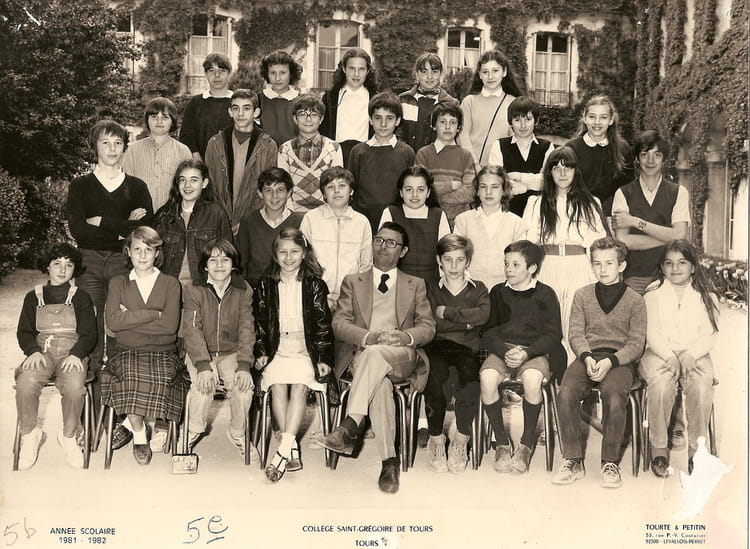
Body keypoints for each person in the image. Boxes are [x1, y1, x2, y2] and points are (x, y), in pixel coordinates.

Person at [317, 222, 436, 493]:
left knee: (377, 358)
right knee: (379, 382)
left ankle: (350, 425)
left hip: (401, 356)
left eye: (391, 243)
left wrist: (405, 337)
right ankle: (389, 463)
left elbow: (428, 327)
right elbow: (339, 324)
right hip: (363, 356)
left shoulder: (415, 284)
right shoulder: (353, 281)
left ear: (403, 251)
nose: (383, 247)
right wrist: (369, 337)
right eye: (379, 240)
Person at [66, 119, 154, 449]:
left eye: (118, 143)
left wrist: (102, 221)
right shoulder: (81, 186)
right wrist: (121, 226)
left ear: (125, 147)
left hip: (122, 261)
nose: (112, 149)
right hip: (88, 262)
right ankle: (89, 420)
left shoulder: (136, 186)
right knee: (91, 335)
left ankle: (119, 417)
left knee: (119, 333)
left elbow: (145, 229)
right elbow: (78, 230)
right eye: (105, 142)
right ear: (95, 147)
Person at [553, 237, 646, 489]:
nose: (603, 269)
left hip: (619, 360)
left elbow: (636, 344)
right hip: (587, 356)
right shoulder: (582, 295)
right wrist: (586, 357)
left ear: (622, 265)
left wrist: (611, 361)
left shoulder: (635, 300)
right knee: (566, 392)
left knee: (615, 396)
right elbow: (575, 333)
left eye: (609, 263)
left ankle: (610, 462)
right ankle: (573, 459)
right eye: (597, 264)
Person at [252, 228, 336, 482]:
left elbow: (322, 325)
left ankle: (282, 451)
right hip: (277, 348)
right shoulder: (265, 284)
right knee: (277, 386)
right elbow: (260, 324)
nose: (289, 258)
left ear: (304, 253)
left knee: (300, 386)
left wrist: (322, 358)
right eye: (283, 252)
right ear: (275, 255)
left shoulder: (315, 285)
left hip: (305, 349)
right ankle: (291, 448)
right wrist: (262, 352)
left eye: (295, 252)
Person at [103, 227, 185, 465]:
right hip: (126, 351)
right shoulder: (118, 282)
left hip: (163, 353)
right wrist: (153, 313)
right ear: (128, 252)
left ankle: (129, 424)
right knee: (130, 376)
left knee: (160, 377)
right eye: (136, 249)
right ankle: (140, 435)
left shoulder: (171, 284)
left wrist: (129, 318)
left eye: (148, 250)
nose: (142, 255)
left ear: (157, 253)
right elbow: (113, 322)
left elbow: (170, 327)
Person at [480, 240, 562, 474]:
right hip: (502, 351)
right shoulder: (497, 292)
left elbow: (553, 334)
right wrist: (504, 352)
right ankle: (502, 443)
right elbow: (488, 331)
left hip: (533, 351)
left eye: (515, 265)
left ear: (532, 268)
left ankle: (525, 445)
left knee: (533, 380)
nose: (509, 269)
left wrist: (527, 352)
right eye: (506, 263)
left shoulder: (545, 294)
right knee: (487, 378)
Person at [640, 240, 719, 477]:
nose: (675, 268)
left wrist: (690, 355)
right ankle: (659, 449)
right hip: (658, 353)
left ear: (693, 267)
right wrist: (670, 357)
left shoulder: (708, 296)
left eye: (682, 262)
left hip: (695, 354)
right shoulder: (652, 295)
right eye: (669, 263)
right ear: (662, 267)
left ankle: (697, 451)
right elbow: (652, 333)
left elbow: (709, 335)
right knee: (661, 383)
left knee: (701, 386)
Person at [15, 243, 97, 470]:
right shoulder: (33, 297)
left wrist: (77, 354)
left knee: (74, 386)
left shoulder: (81, 297)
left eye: (68, 265)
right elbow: (24, 331)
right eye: (57, 263)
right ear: (47, 267)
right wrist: (32, 351)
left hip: (72, 354)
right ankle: (30, 435)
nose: (62, 269)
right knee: (26, 381)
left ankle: (68, 436)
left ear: (75, 269)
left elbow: (90, 333)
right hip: (42, 353)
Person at [523, 146, 607, 354]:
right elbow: (528, 243)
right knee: (547, 325)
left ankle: (573, 371)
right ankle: (547, 372)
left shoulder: (591, 203)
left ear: (575, 171)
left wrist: (596, 277)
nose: (562, 173)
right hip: (547, 266)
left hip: (578, 268)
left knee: (575, 326)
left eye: (567, 167)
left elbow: (599, 245)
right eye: (556, 168)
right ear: (549, 172)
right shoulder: (535, 203)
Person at [182, 240, 258, 462]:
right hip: (200, 353)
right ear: (205, 265)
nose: (219, 265)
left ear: (234, 264)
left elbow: (247, 328)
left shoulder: (244, 290)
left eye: (225, 259)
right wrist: (203, 365)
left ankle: (237, 432)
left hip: (231, 352)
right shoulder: (193, 288)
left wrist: (244, 365)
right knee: (203, 387)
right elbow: (191, 329)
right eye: (213, 260)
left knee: (244, 388)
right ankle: (192, 431)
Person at [423, 234, 490, 473]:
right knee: (434, 380)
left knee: (470, 382)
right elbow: (432, 322)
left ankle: (461, 440)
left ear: (467, 261)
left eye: (459, 260)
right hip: (437, 345)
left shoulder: (478, 288)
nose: (453, 266)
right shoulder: (431, 288)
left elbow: (483, 316)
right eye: (448, 259)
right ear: (439, 260)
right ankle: (436, 439)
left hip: (467, 348)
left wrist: (448, 313)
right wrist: (466, 322)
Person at [612, 130, 690, 294]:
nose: (650, 161)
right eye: (644, 154)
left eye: (657, 155)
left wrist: (635, 221)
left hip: (670, 275)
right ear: (637, 159)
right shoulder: (623, 193)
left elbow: (680, 234)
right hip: (634, 276)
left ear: (664, 159)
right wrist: (668, 238)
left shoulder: (678, 192)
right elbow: (624, 240)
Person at [204, 89, 278, 234]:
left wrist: (248, 220)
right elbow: (209, 187)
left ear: (256, 112)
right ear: (230, 112)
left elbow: (268, 189)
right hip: (220, 220)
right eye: (236, 108)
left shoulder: (268, 145)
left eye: (246, 108)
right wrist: (219, 218)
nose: (240, 113)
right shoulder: (215, 143)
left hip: (253, 222)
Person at [300, 167, 372, 310]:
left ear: (351, 191)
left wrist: (355, 294)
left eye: (342, 186)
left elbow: (366, 264)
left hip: (350, 297)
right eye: (330, 187)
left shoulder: (362, 222)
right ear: (324, 194)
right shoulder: (310, 219)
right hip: (316, 296)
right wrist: (316, 292)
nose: (336, 191)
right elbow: (303, 260)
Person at [154, 159, 232, 287]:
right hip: (169, 288)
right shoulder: (163, 215)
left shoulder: (216, 214)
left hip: (204, 288)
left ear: (204, 183)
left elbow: (228, 257)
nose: (187, 185)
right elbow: (153, 258)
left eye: (194, 180)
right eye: (182, 180)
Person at [347, 92, 416, 231]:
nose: (383, 124)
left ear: (398, 121)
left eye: (389, 118)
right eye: (378, 118)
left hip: (396, 221)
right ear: (370, 120)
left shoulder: (407, 152)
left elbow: (410, 189)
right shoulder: (358, 151)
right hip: (363, 221)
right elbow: (351, 189)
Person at [453, 165, 527, 290]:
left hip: (506, 290)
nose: (488, 192)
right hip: (470, 288)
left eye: (495, 187)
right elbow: (456, 256)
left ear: (504, 190)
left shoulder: (517, 224)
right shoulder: (463, 221)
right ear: (477, 191)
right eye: (483, 187)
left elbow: (520, 263)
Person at [378, 165, 450, 285]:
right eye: (409, 190)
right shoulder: (390, 212)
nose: (414, 194)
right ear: (401, 192)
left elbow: (447, 254)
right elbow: (383, 254)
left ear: (428, 192)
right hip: (397, 283)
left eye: (420, 190)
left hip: (432, 283)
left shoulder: (438, 215)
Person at [566, 95, 634, 216]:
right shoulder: (571, 148)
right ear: (585, 118)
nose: (597, 122)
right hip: (578, 213)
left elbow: (628, 189)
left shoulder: (623, 149)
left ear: (611, 120)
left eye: (603, 117)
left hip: (612, 214)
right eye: (592, 116)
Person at [487, 96, 555, 217]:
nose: (523, 125)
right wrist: (532, 183)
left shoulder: (547, 147)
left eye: (528, 119)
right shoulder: (499, 145)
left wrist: (519, 178)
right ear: (510, 122)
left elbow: (549, 182)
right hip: (506, 213)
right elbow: (496, 181)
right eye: (517, 120)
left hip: (538, 213)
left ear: (536, 121)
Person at [121, 97, 192, 212]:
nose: (159, 121)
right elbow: (125, 187)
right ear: (147, 120)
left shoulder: (183, 151)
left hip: (173, 215)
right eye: (154, 116)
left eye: (165, 117)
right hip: (141, 215)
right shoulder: (133, 150)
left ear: (172, 121)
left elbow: (189, 188)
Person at [237, 167, 304, 288]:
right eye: (268, 190)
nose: (275, 196)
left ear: (289, 193)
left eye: (280, 190)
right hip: (255, 288)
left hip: (290, 287)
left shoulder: (300, 221)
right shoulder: (248, 220)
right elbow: (241, 262)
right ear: (260, 193)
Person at [277, 94, 344, 213]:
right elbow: (283, 188)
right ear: (295, 119)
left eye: (314, 114)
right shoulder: (285, 150)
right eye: (302, 114)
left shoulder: (334, 148)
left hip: (325, 213)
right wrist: (292, 216)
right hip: (293, 213)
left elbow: (336, 188)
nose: (308, 119)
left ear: (321, 119)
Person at [458, 50, 522, 167]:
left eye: (495, 71)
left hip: (500, 169)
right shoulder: (469, 102)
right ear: (480, 74)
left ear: (504, 72)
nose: (490, 76)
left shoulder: (513, 102)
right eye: (485, 72)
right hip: (470, 168)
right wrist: (474, 164)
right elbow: (463, 135)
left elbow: (515, 140)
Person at [415, 101, 476, 224]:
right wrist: (451, 185)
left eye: (453, 122)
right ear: (434, 126)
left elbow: (469, 193)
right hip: (430, 220)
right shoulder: (423, 154)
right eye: (442, 122)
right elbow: (419, 189)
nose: (448, 127)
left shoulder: (466, 156)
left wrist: (435, 193)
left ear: (458, 127)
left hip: (459, 221)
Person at [319, 48, 378, 165]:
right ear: (344, 69)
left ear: (367, 71)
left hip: (366, 157)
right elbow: (322, 130)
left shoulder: (375, 98)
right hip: (336, 156)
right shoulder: (330, 97)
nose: (356, 74)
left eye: (361, 69)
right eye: (351, 68)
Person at [398, 53, 458, 153]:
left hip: (437, 159)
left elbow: (452, 137)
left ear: (441, 74)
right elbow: (397, 132)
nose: (429, 77)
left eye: (434, 71)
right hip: (406, 158)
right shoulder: (404, 100)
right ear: (417, 75)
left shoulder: (451, 104)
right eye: (424, 72)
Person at [179, 52, 234, 162]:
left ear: (229, 73)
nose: (217, 75)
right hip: (201, 165)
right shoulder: (195, 103)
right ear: (205, 74)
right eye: (211, 70)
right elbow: (187, 137)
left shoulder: (239, 102)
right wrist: (201, 164)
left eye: (222, 70)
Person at [258, 50, 302, 147]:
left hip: (293, 154)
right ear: (267, 74)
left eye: (283, 73)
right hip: (264, 154)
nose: (277, 78)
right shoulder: (258, 100)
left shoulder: (301, 101)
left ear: (291, 74)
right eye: (273, 73)